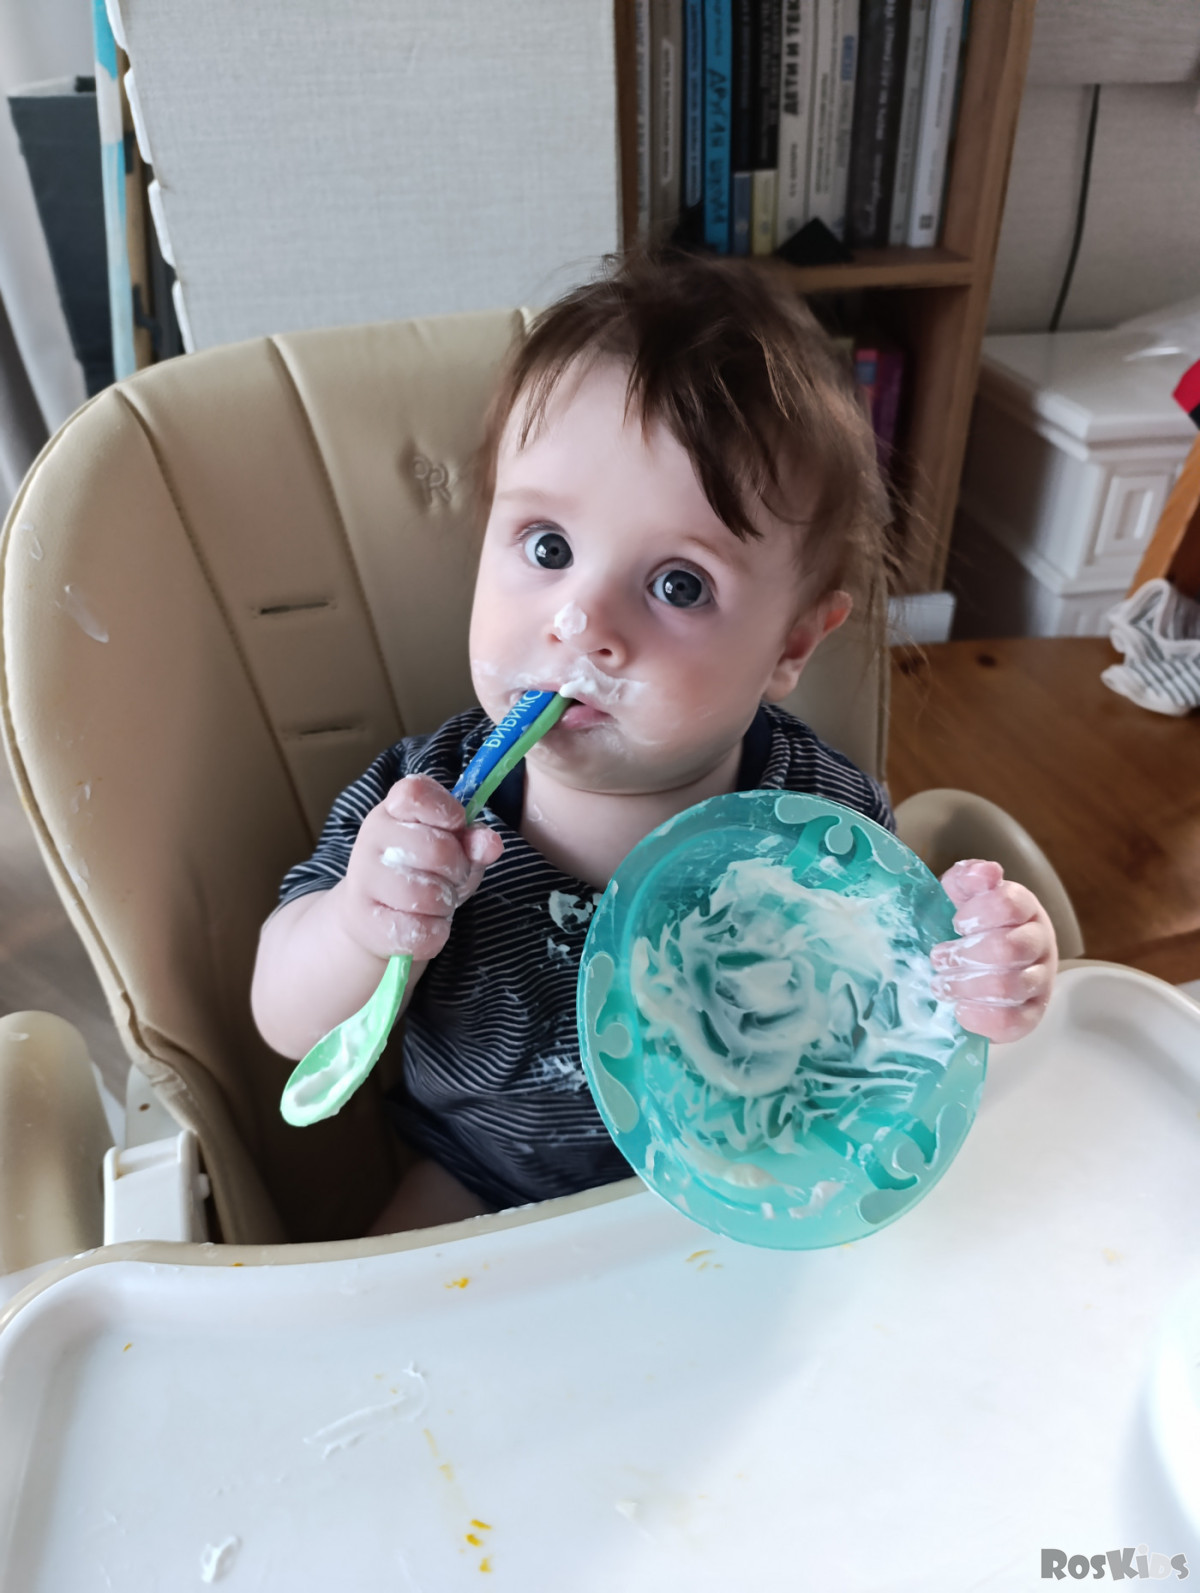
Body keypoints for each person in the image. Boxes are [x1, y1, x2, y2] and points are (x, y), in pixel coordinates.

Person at [251, 249, 1058, 1235]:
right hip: (485, 1187)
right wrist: (361, 925)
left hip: (751, 1192)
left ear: (792, 646)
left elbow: (899, 1019)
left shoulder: (820, 823)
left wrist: (986, 980)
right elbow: (284, 1022)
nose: (582, 620)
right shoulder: (423, 808)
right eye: (548, 547)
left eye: (679, 584)